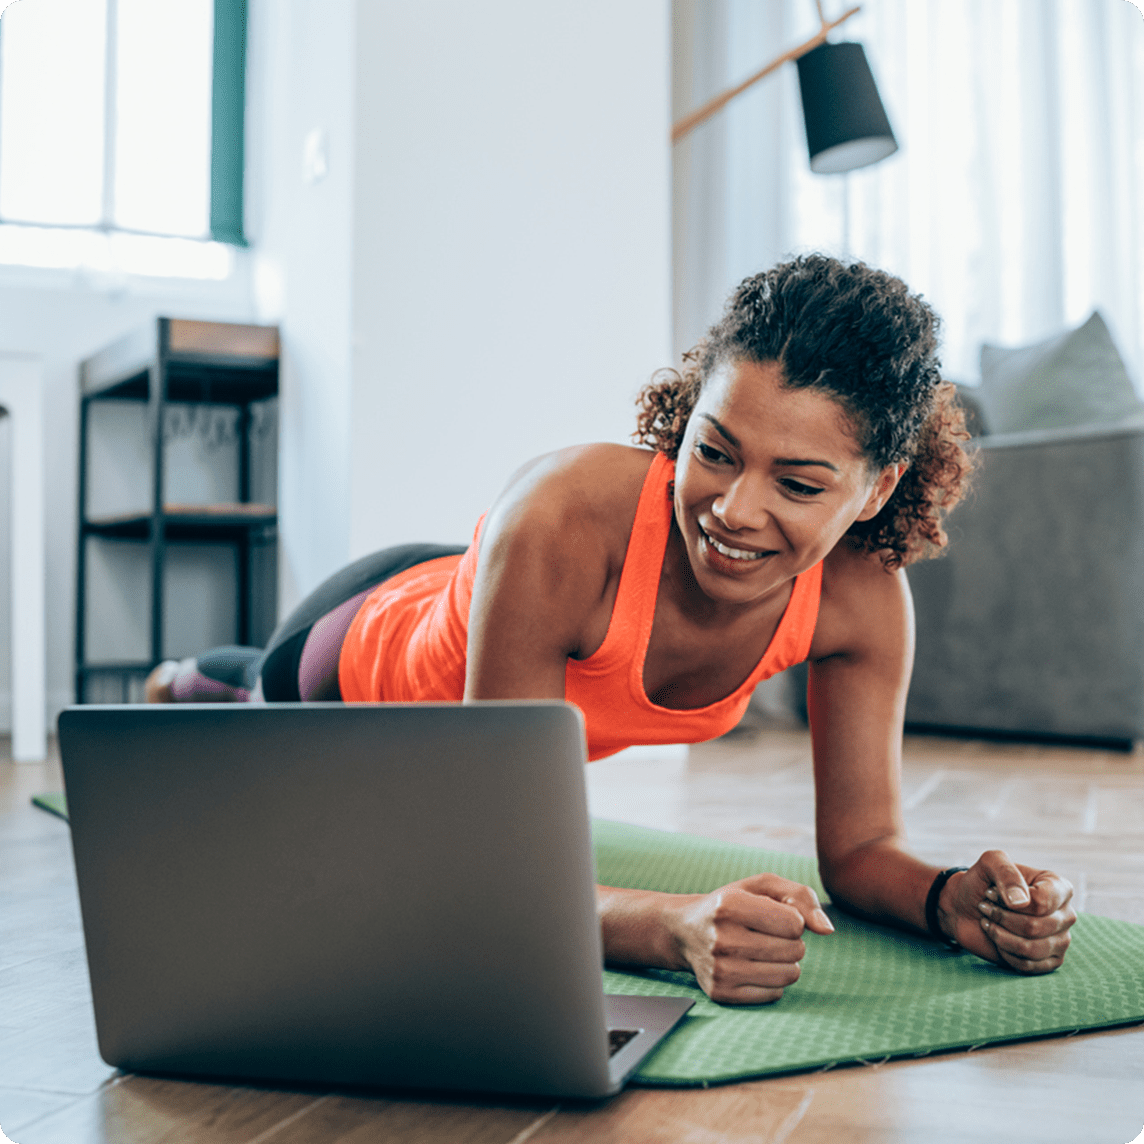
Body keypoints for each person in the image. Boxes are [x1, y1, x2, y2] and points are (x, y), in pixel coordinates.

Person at [147, 254, 1076, 1004]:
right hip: (355, 657)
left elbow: (861, 849)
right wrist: (671, 928)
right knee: (227, 706)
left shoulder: (862, 599)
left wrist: (950, 896)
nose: (735, 511)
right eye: (713, 452)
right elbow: (486, 867)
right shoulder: (562, 517)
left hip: (489, 596)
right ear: (688, 411)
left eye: (798, 484)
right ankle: (182, 679)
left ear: (877, 487)